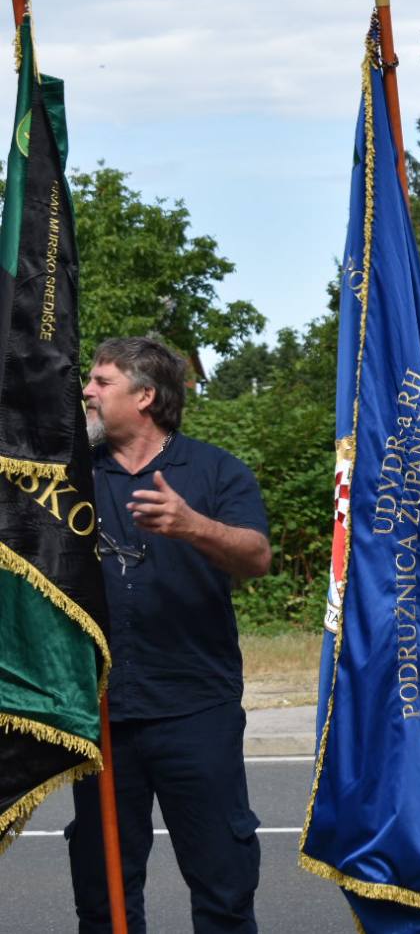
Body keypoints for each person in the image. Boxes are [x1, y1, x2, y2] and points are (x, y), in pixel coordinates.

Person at [70, 337, 272, 934]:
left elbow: (257, 556)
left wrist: (192, 525)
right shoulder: (73, 475)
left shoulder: (214, 470)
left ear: (146, 396)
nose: (87, 391)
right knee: (104, 893)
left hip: (195, 710)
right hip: (101, 713)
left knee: (223, 884)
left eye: (102, 382)